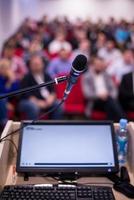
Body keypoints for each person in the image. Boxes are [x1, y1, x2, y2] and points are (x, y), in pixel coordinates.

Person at [19, 55, 63, 120]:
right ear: (30, 65)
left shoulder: (47, 75)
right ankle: (33, 127)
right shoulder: (26, 77)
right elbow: (26, 94)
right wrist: (37, 102)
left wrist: (51, 98)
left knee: (58, 104)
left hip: (46, 101)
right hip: (29, 101)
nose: (36, 66)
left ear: (43, 64)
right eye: (34, 64)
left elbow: (53, 90)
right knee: (33, 107)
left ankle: (54, 126)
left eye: (38, 64)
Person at [82, 56, 125, 121]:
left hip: (108, 99)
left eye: (101, 65)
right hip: (94, 101)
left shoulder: (106, 75)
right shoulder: (87, 77)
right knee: (111, 103)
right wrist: (99, 95)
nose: (99, 66)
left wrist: (108, 95)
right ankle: (124, 121)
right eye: (97, 64)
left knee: (109, 105)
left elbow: (114, 90)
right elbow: (87, 94)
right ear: (92, 65)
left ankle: (111, 124)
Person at [0, 59, 20, 128]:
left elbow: (16, 93)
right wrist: (9, 83)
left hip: (11, 101)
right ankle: (4, 123)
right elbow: (3, 93)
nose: (6, 70)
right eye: (3, 68)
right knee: (2, 98)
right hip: (2, 101)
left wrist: (12, 81)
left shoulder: (13, 79)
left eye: (8, 68)